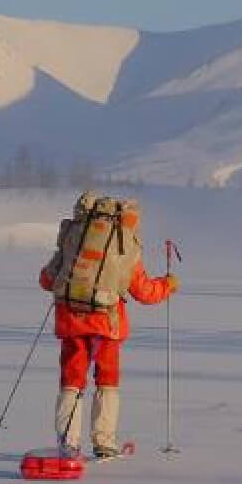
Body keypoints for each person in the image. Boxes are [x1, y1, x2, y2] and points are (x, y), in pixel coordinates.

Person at [38, 192, 176, 459]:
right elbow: (145, 292)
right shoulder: (124, 245)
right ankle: (104, 442)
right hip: (107, 325)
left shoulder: (74, 239)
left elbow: (46, 280)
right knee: (107, 380)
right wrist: (168, 285)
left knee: (72, 379)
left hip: (71, 321)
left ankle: (69, 442)